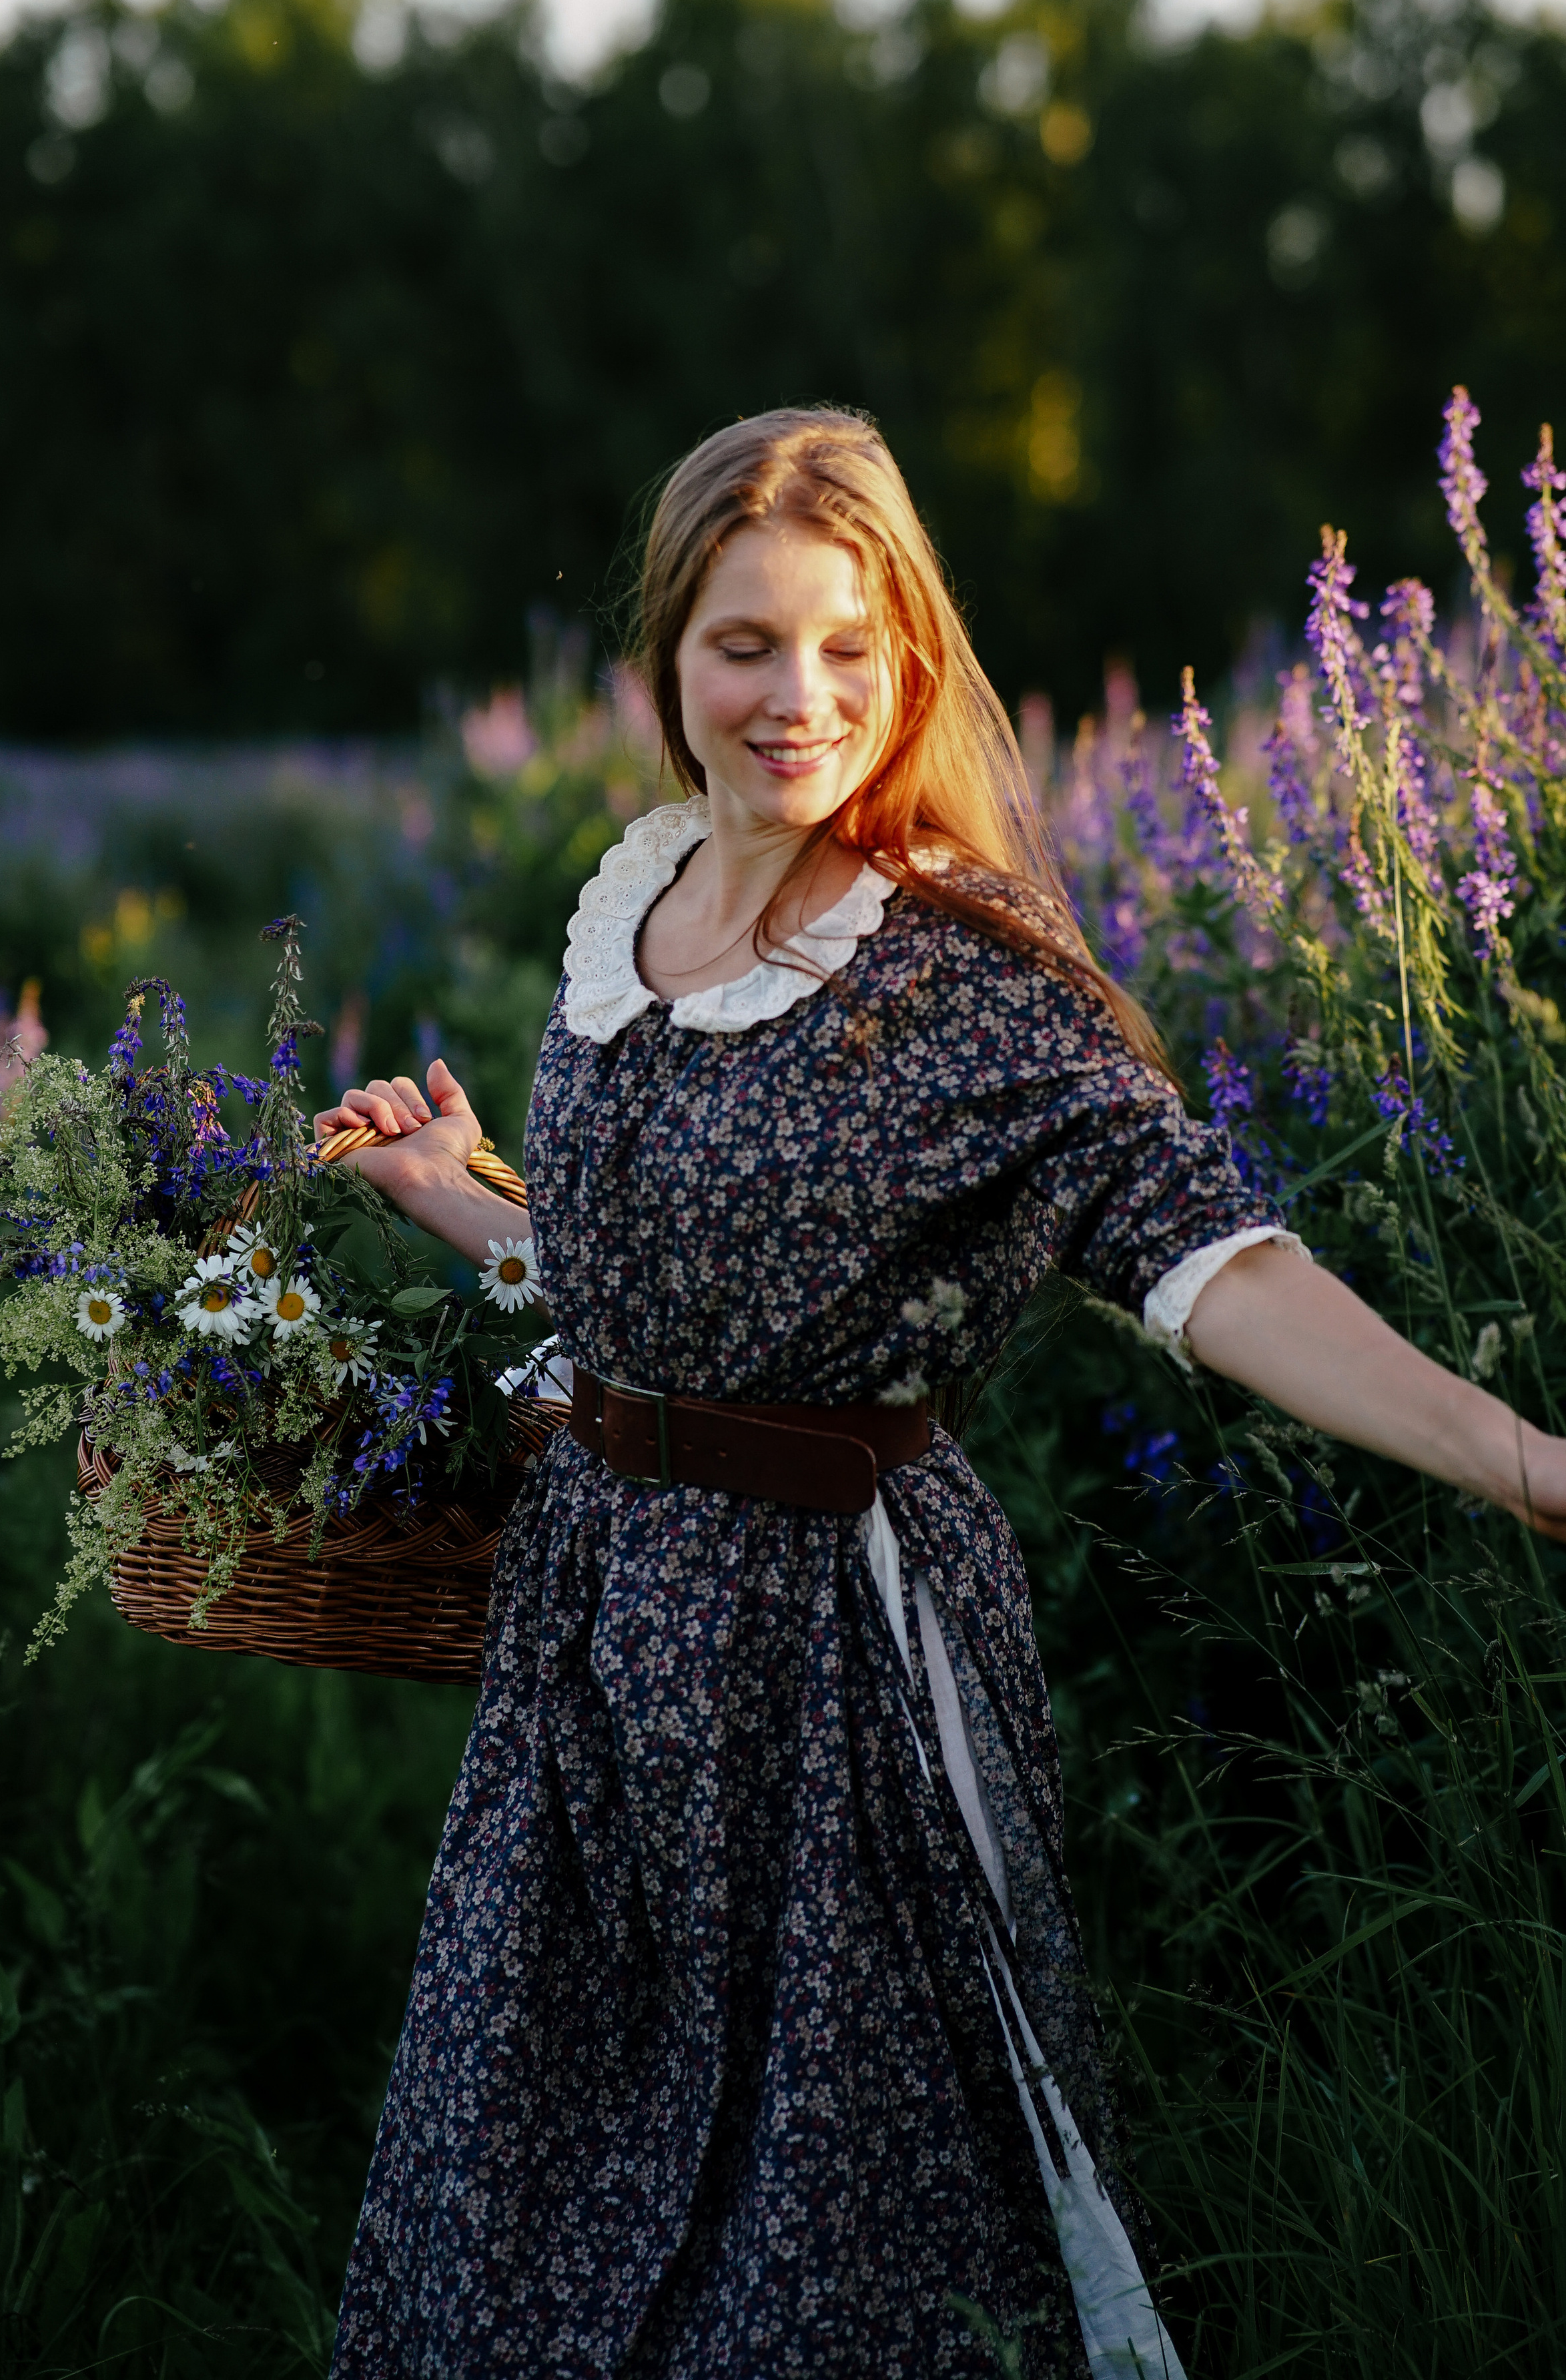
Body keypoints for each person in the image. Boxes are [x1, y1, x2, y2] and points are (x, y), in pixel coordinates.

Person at [318, 409, 1566, 2380]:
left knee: (830, 2253)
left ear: (907, 659)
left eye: (846, 645)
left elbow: (1208, 1253)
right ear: (665, 659)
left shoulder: (959, 966)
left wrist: (1519, 1456)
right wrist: (452, 1196)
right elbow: (656, 1297)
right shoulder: (637, 912)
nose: (797, 697)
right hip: (596, 1643)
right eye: (745, 644)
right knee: (532, 2179)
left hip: (827, 1659)